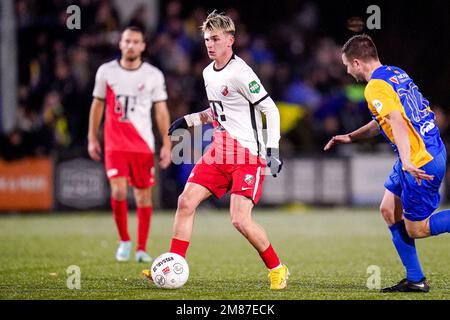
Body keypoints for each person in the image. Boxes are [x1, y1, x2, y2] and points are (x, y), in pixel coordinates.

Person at [146, 11, 289, 290]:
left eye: (215, 39)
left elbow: (269, 108)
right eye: (206, 39)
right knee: (185, 201)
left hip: (246, 155)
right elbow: (218, 111)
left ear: (230, 40)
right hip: (219, 151)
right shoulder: (208, 72)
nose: (209, 44)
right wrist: (189, 120)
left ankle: (277, 268)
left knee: (239, 220)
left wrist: (272, 150)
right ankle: (173, 264)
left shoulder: (241, 72)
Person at [325, 34, 450, 292]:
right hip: (426, 149)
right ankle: (416, 280)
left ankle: (416, 279)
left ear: (358, 62)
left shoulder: (374, 88)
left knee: (417, 229)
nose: (347, 71)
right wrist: (351, 136)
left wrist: (406, 161)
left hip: (418, 159)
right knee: (388, 210)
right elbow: (386, 118)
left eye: (347, 65)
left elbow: (397, 121)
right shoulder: (395, 73)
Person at [88, 26, 171, 263]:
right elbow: (97, 105)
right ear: (120, 44)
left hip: (143, 144)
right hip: (115, 143)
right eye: (127, 41)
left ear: (143, 46)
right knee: (118, 190)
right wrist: (92, 137)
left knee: (144, 197)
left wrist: (166, 142)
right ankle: (124, 239)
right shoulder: (106, 71)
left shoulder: (153, 75)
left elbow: (161, 111)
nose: (131, 45)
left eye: (136, 41)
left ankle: (141, 248)